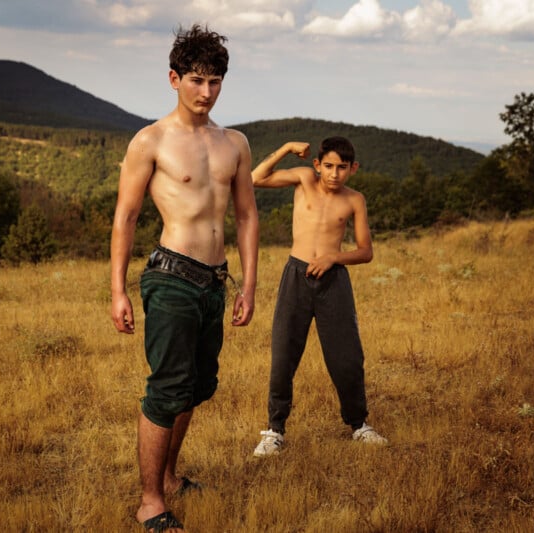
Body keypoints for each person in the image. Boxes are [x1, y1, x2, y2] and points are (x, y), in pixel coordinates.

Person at [110, 24, 258, 533]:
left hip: (215, 282)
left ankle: (170, 477)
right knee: (167, 388)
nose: (206, 91)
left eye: (215, 81)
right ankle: (150, 502)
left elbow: (247, 217)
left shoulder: (234, 142)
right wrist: (117, 291)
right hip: (171, 277)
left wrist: (250, 285)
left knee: (196, 386)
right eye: (196, 79)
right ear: (174, 78)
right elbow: (125, 217)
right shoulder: (150, 140)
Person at [250, 137, 387, 458]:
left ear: (353, 169)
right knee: (284, 352)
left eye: (342, 168)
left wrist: (333, 258)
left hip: (333, 280)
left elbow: (366, 252)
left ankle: (358, 424)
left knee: (347, 356)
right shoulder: (303, 178)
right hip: (296, 276)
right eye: (328, 166)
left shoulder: (354, 200)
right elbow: (255, 178)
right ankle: (274, 430)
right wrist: (284, 148)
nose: (334, 174)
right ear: (317, 165)